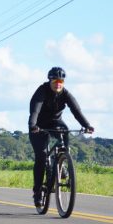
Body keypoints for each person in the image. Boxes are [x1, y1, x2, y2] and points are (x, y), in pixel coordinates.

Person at [28, 66, 94, 207]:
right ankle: (38, 192)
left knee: (65, 132)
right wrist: (33, 125)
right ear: (50, 81)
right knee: (41, 157)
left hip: (55, 122)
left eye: (61, 81)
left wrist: (87, 125)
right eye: (55, 80)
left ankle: (62, 162)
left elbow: (76, 111)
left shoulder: (66, 94)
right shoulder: (42, 91)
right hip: (38, 125)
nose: (58, 83)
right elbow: (34, 110)